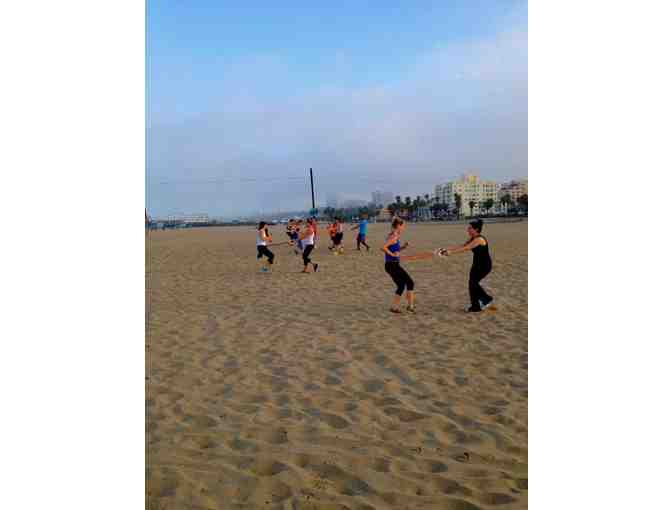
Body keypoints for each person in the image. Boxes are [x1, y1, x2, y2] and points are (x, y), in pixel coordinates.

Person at [438, 219, 493, 312]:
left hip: (484, 266)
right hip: (476, 264)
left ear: (476, 229)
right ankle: (478, 304)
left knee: (473, 283)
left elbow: (466, 248)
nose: (468, 230)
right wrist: (447, 250)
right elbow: (462, 246)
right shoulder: (472, 238)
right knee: (472, 284)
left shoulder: (479, 240)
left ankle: (483, 301)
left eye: (470, 228)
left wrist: (450, 253)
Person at [381, 218, 415, 313]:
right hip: (392, 265)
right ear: (398, 226)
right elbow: (383, 247)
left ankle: (397, 307)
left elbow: (394, 249)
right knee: (409, 283)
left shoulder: (394, 236)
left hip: (392, 265)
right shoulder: (394, 236)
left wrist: (403, 247)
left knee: (402, 285)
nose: (403, 228)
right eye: (403, 226)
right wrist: (392, 255)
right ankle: (410, 306)